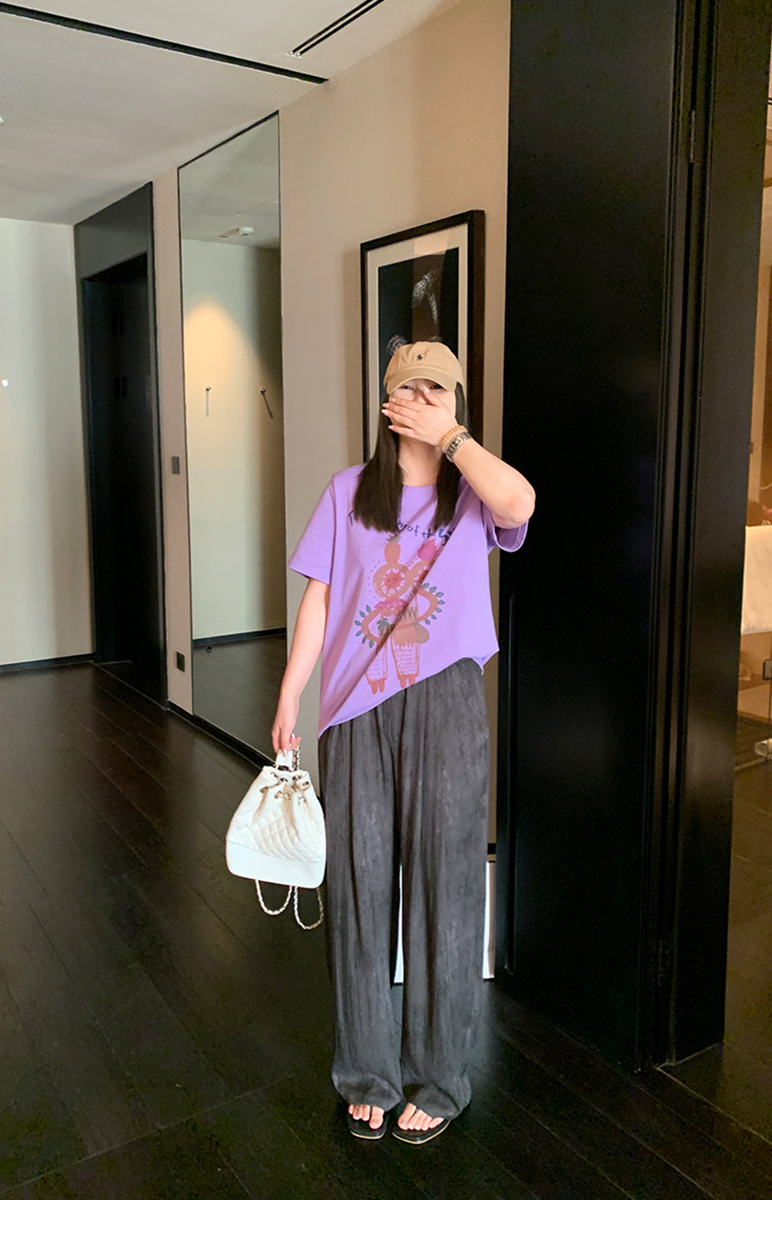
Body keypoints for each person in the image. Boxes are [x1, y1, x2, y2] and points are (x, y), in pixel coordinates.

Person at [271, 341, 535, 1144]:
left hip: (445, 702)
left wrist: (452, 439)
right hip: (354, 712)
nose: (422, 399)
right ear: (387, 402)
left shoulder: (473, 493)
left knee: (446, 889)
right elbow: (321, 598)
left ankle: (441, 1077)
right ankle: (367, 1073)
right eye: (410, 388)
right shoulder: (348, 492)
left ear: (455, 403)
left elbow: (520, 502)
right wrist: (290, 691)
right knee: (356, 889)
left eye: (437, 390)